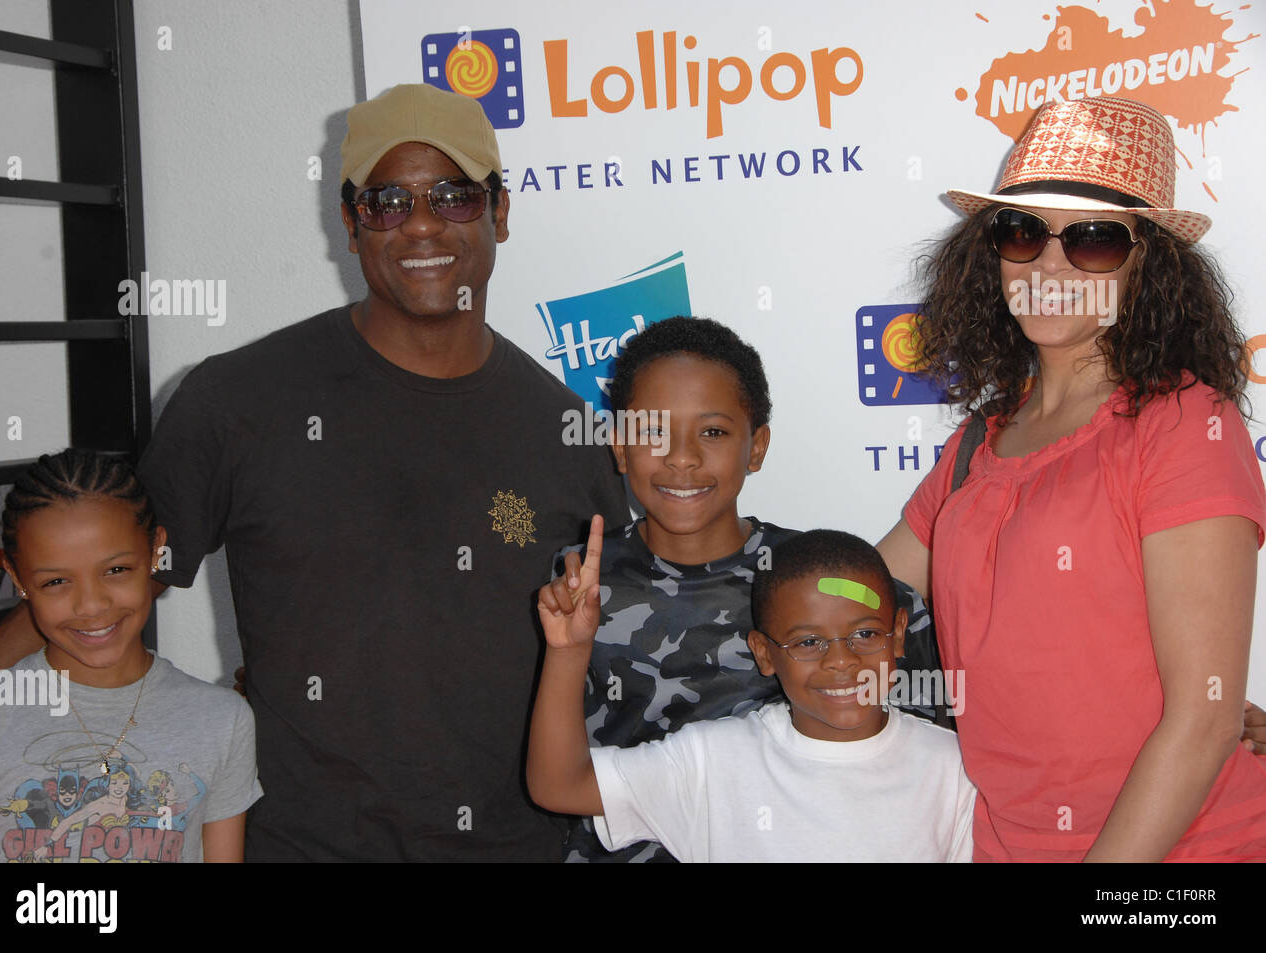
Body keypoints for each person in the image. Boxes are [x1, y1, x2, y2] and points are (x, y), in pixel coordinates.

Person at [0, 84, 628, 861]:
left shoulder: (568, 430)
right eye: (386, 202)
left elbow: (614, 655)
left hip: (519, 845)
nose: (421, 222)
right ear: (349, 224)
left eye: (454, 196)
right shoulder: (236, 401)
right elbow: (99, 586)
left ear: (501, 213)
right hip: (299, 844)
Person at [877, 96, 1266, 861]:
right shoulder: (975, 445)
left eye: (1091, 240)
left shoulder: (1185, 423)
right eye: (1021, 232)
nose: (1049, 265)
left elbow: (1203, 720)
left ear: (1146, 259)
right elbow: (856, 589)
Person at [540, 316, 941, 861]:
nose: (682, 458)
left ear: (757, 447)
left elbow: (921, 764)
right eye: (655, 431)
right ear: (618, 446)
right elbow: (555, 775)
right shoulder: (578, 586)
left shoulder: (818, 583)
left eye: (713, 432)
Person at [529, 524, 975, 862]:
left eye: (864, 633)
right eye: (807, 642)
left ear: (898, 635)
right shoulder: (712, 761)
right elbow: (561, 786)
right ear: (764, 654)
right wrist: (568, 652)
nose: (841, 661)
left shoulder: (954, 768)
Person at [0, 449, 260, 863]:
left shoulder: (223, 721)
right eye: (56, 581)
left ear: (156, 550)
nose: (91, 605)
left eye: (116, 570)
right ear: (17, 579)